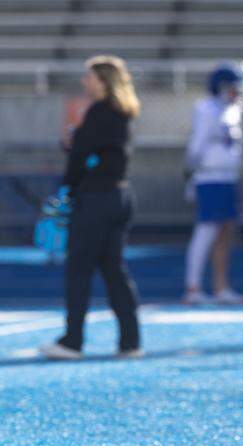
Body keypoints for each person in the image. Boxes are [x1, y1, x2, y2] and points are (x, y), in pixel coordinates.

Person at [39, 56, 142, 361]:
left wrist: (67, 187)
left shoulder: (99, 112)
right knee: (114, 270)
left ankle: (72, 341)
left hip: (96, 199)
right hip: (120, 196)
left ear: (103, 81)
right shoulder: (123, 112)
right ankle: (130, 341)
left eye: (90, 77)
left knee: (79, 270)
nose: (85, 82)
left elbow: (79, 155)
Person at [182, 65, 243, 305]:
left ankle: (221, 287)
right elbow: (196, 147)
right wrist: (193, 175)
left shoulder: (233, 109)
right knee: (206, 231)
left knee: (224, 234)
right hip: (210, 177)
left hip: (227, 177)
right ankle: (193, 287)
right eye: (231, 87)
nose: (236, 92)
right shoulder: (207, 109)